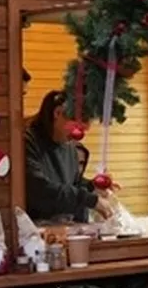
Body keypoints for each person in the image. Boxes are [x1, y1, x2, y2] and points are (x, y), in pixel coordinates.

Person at [24, 90, 111, 223]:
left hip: (65, 227)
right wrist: (89, 199)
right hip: (35, 229)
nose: (78, 136)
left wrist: (92, 186)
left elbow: (73, 184)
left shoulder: (70, 146)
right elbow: (40, 190)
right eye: (77, 129)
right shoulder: (27, 142)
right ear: (58, 113)